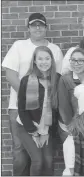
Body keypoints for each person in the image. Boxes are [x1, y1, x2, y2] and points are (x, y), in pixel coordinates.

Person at [1, 12, 63, 176]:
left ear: (46, 28)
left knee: (44, 157)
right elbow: (10, 74)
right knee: (20, 153)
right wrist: (30, 96)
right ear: (28, 27)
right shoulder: (19, 45)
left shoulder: (55, 50)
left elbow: (58, 80)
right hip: (19, 109)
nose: (37, 28)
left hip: (46, 112)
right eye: (33, 25)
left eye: (41, 25)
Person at [17, 46, 61, 176]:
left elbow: (57, 109)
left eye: (47, 58)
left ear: (52, 60)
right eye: (40, 59)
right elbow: (21, 108)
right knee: (38, 161)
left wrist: (46, 132)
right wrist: (34, 132)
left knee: (48, 161)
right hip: (27, 126)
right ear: (34, 61)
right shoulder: (26, 80)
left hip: (46, 127)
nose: (44, 62)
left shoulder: (57, 78)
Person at [57, 48, 84, 142]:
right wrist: (72, 129)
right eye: (73, 60)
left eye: (80, 60)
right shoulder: (65, 79)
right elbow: (64, 108)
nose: (76, 63)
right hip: (71, 127)